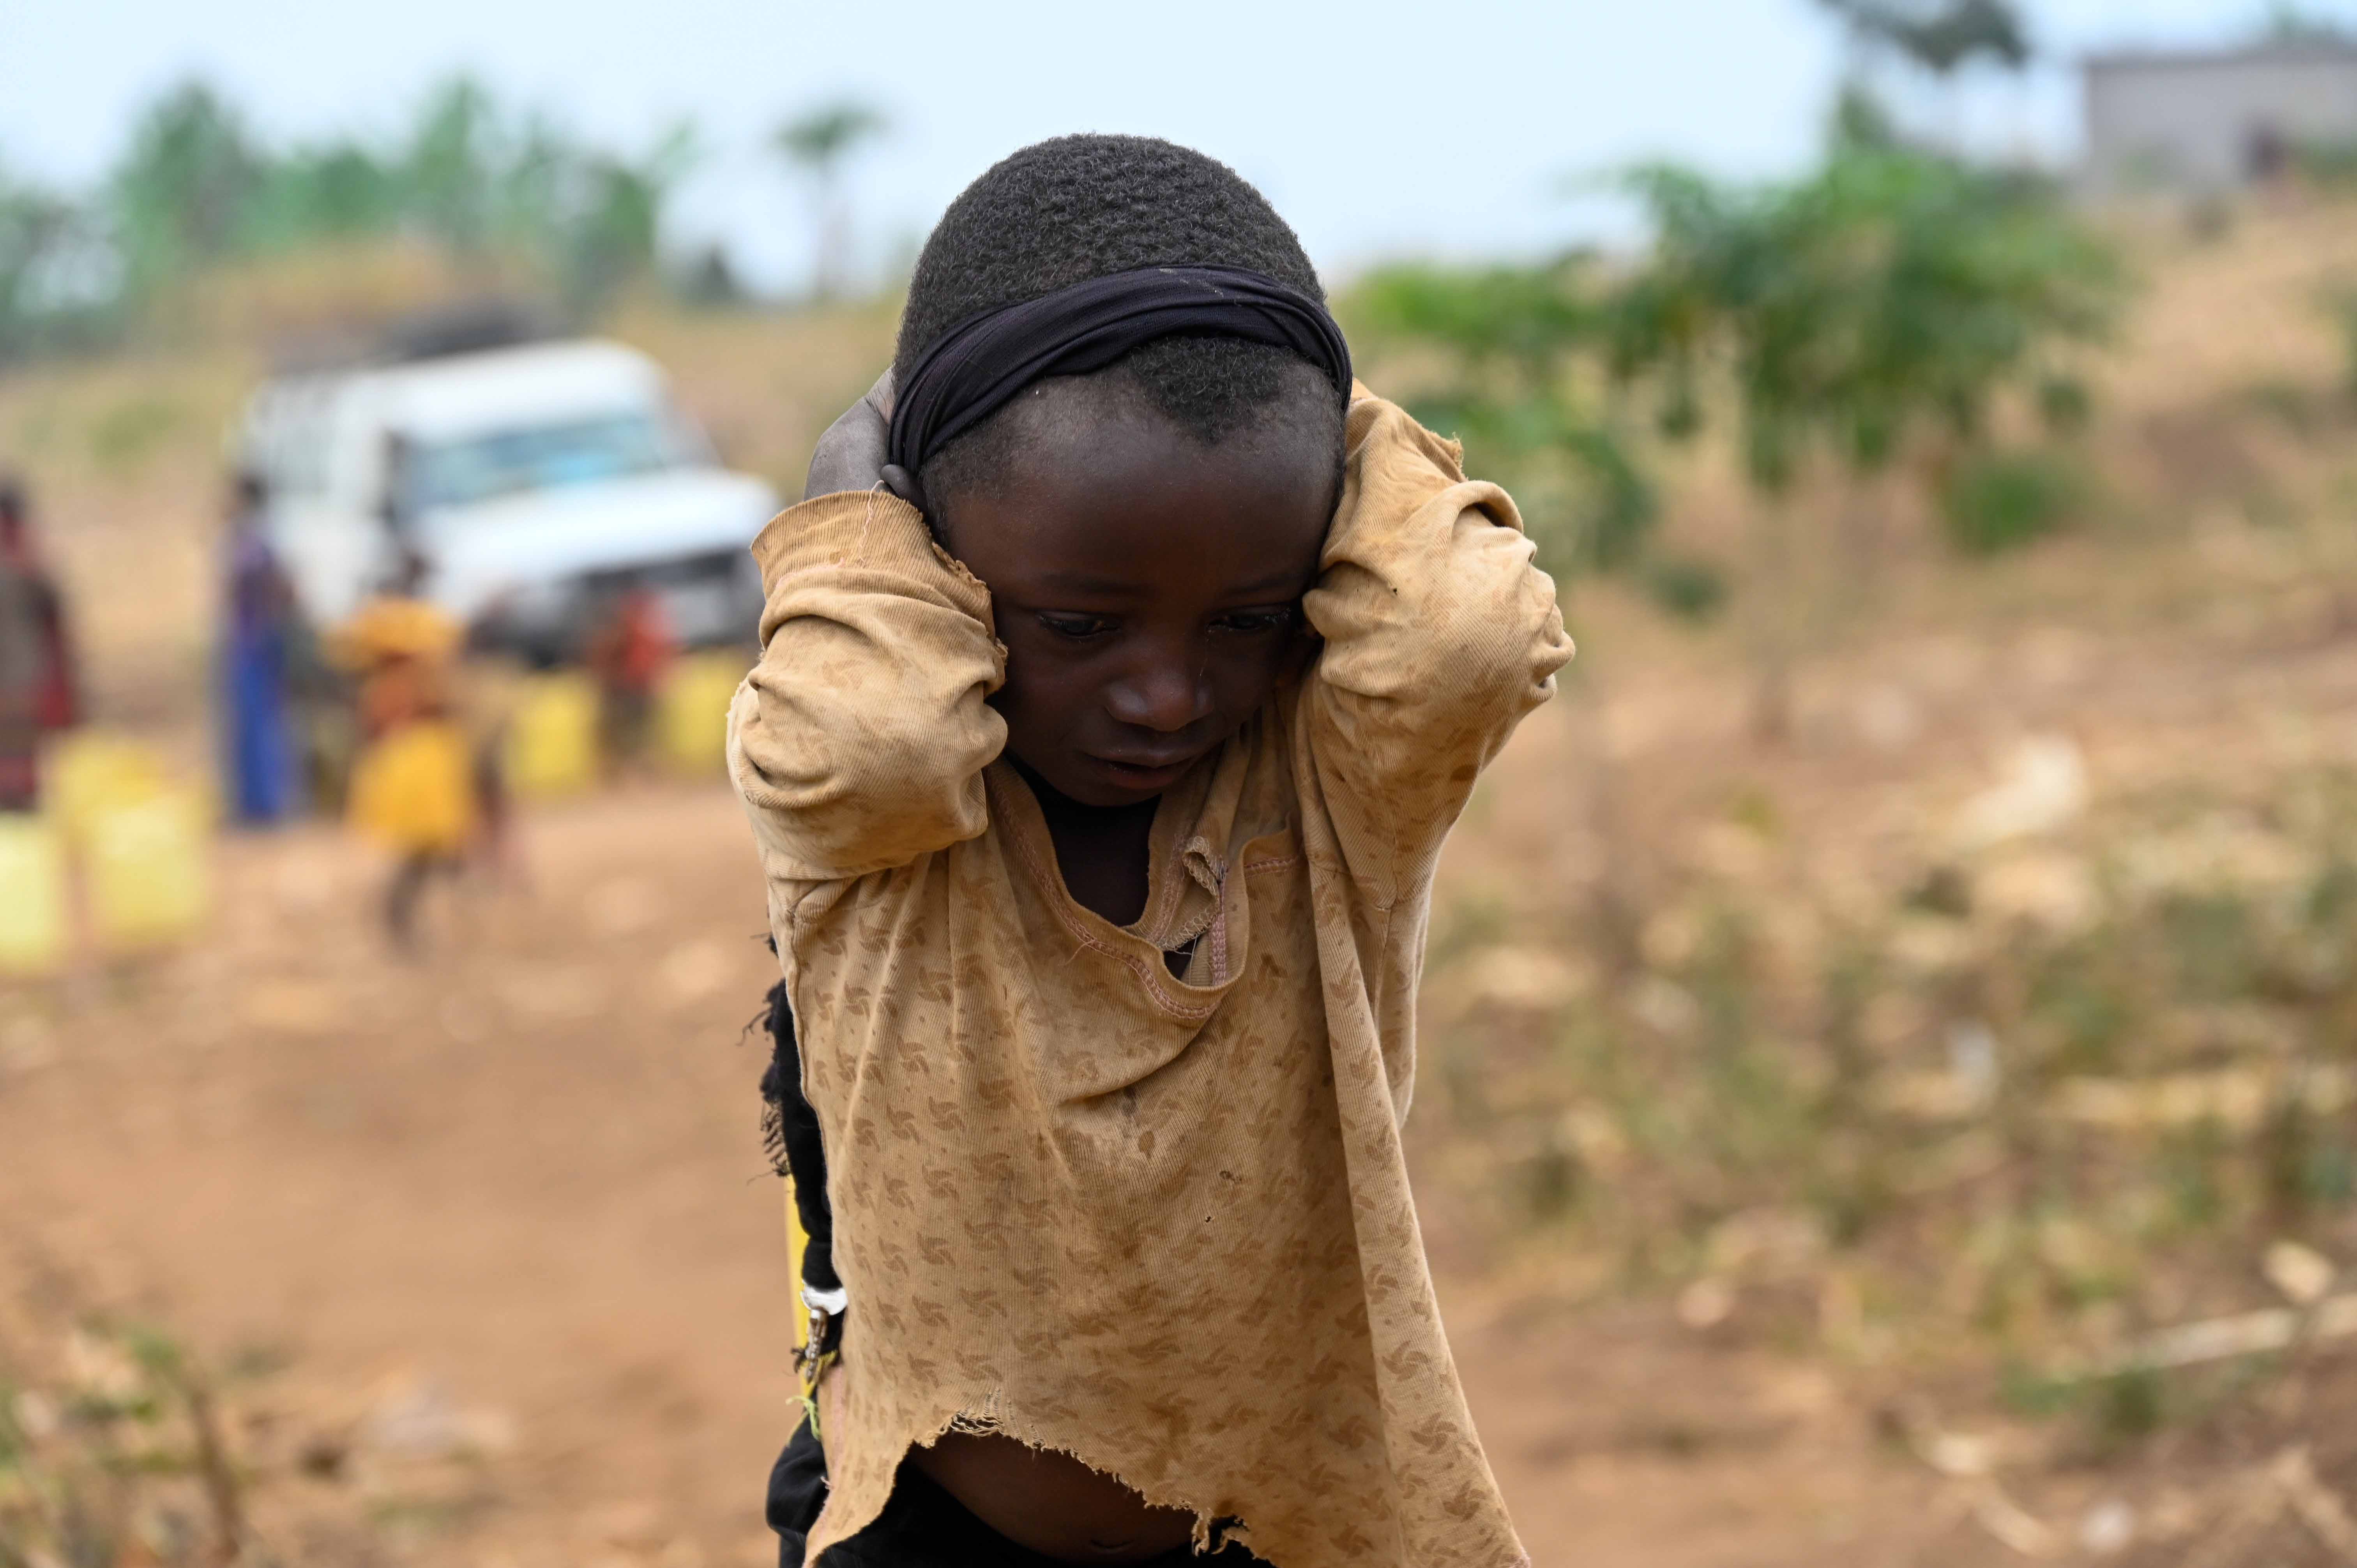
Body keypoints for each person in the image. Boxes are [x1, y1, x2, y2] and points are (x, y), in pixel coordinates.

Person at [732, 136, 1573, 1568]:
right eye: (1078, 624)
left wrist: (1316, 399)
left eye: (1241, 619)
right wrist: (852, 492)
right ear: (929, 551)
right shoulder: (877, 821)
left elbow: (1465, 642)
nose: (1166, 692)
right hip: (932, 1537)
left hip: (1284, 1532)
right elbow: (879, 730)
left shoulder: (1319, 788)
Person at [334, 550, 474, 952]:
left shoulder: (401, 639)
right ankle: (399, 920)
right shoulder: (402, 636)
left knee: (435, 847)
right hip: (414, 757)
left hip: (424, 753)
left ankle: (412, 916)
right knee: (421, 849)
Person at [220, 471, 304, 825]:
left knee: (263, 725)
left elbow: (278, 589)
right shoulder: (246, 539)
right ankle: (255, 804)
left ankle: (270, 804)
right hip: (249, 640)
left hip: (256, 641)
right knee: (249, 726)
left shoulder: (256, 543)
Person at [0, 478, 79, 813]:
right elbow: (58, 632)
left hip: (19, 686)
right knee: (22, 771)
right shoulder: (29, 565)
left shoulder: (27, 568)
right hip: (27, 685)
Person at [585, 582, 677, 777]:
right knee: (626, 732)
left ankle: (638, 767)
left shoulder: (639, 631)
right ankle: (624, 769)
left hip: (637, 686)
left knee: (640, 731)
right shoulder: (625, 631)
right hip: (625, 688)